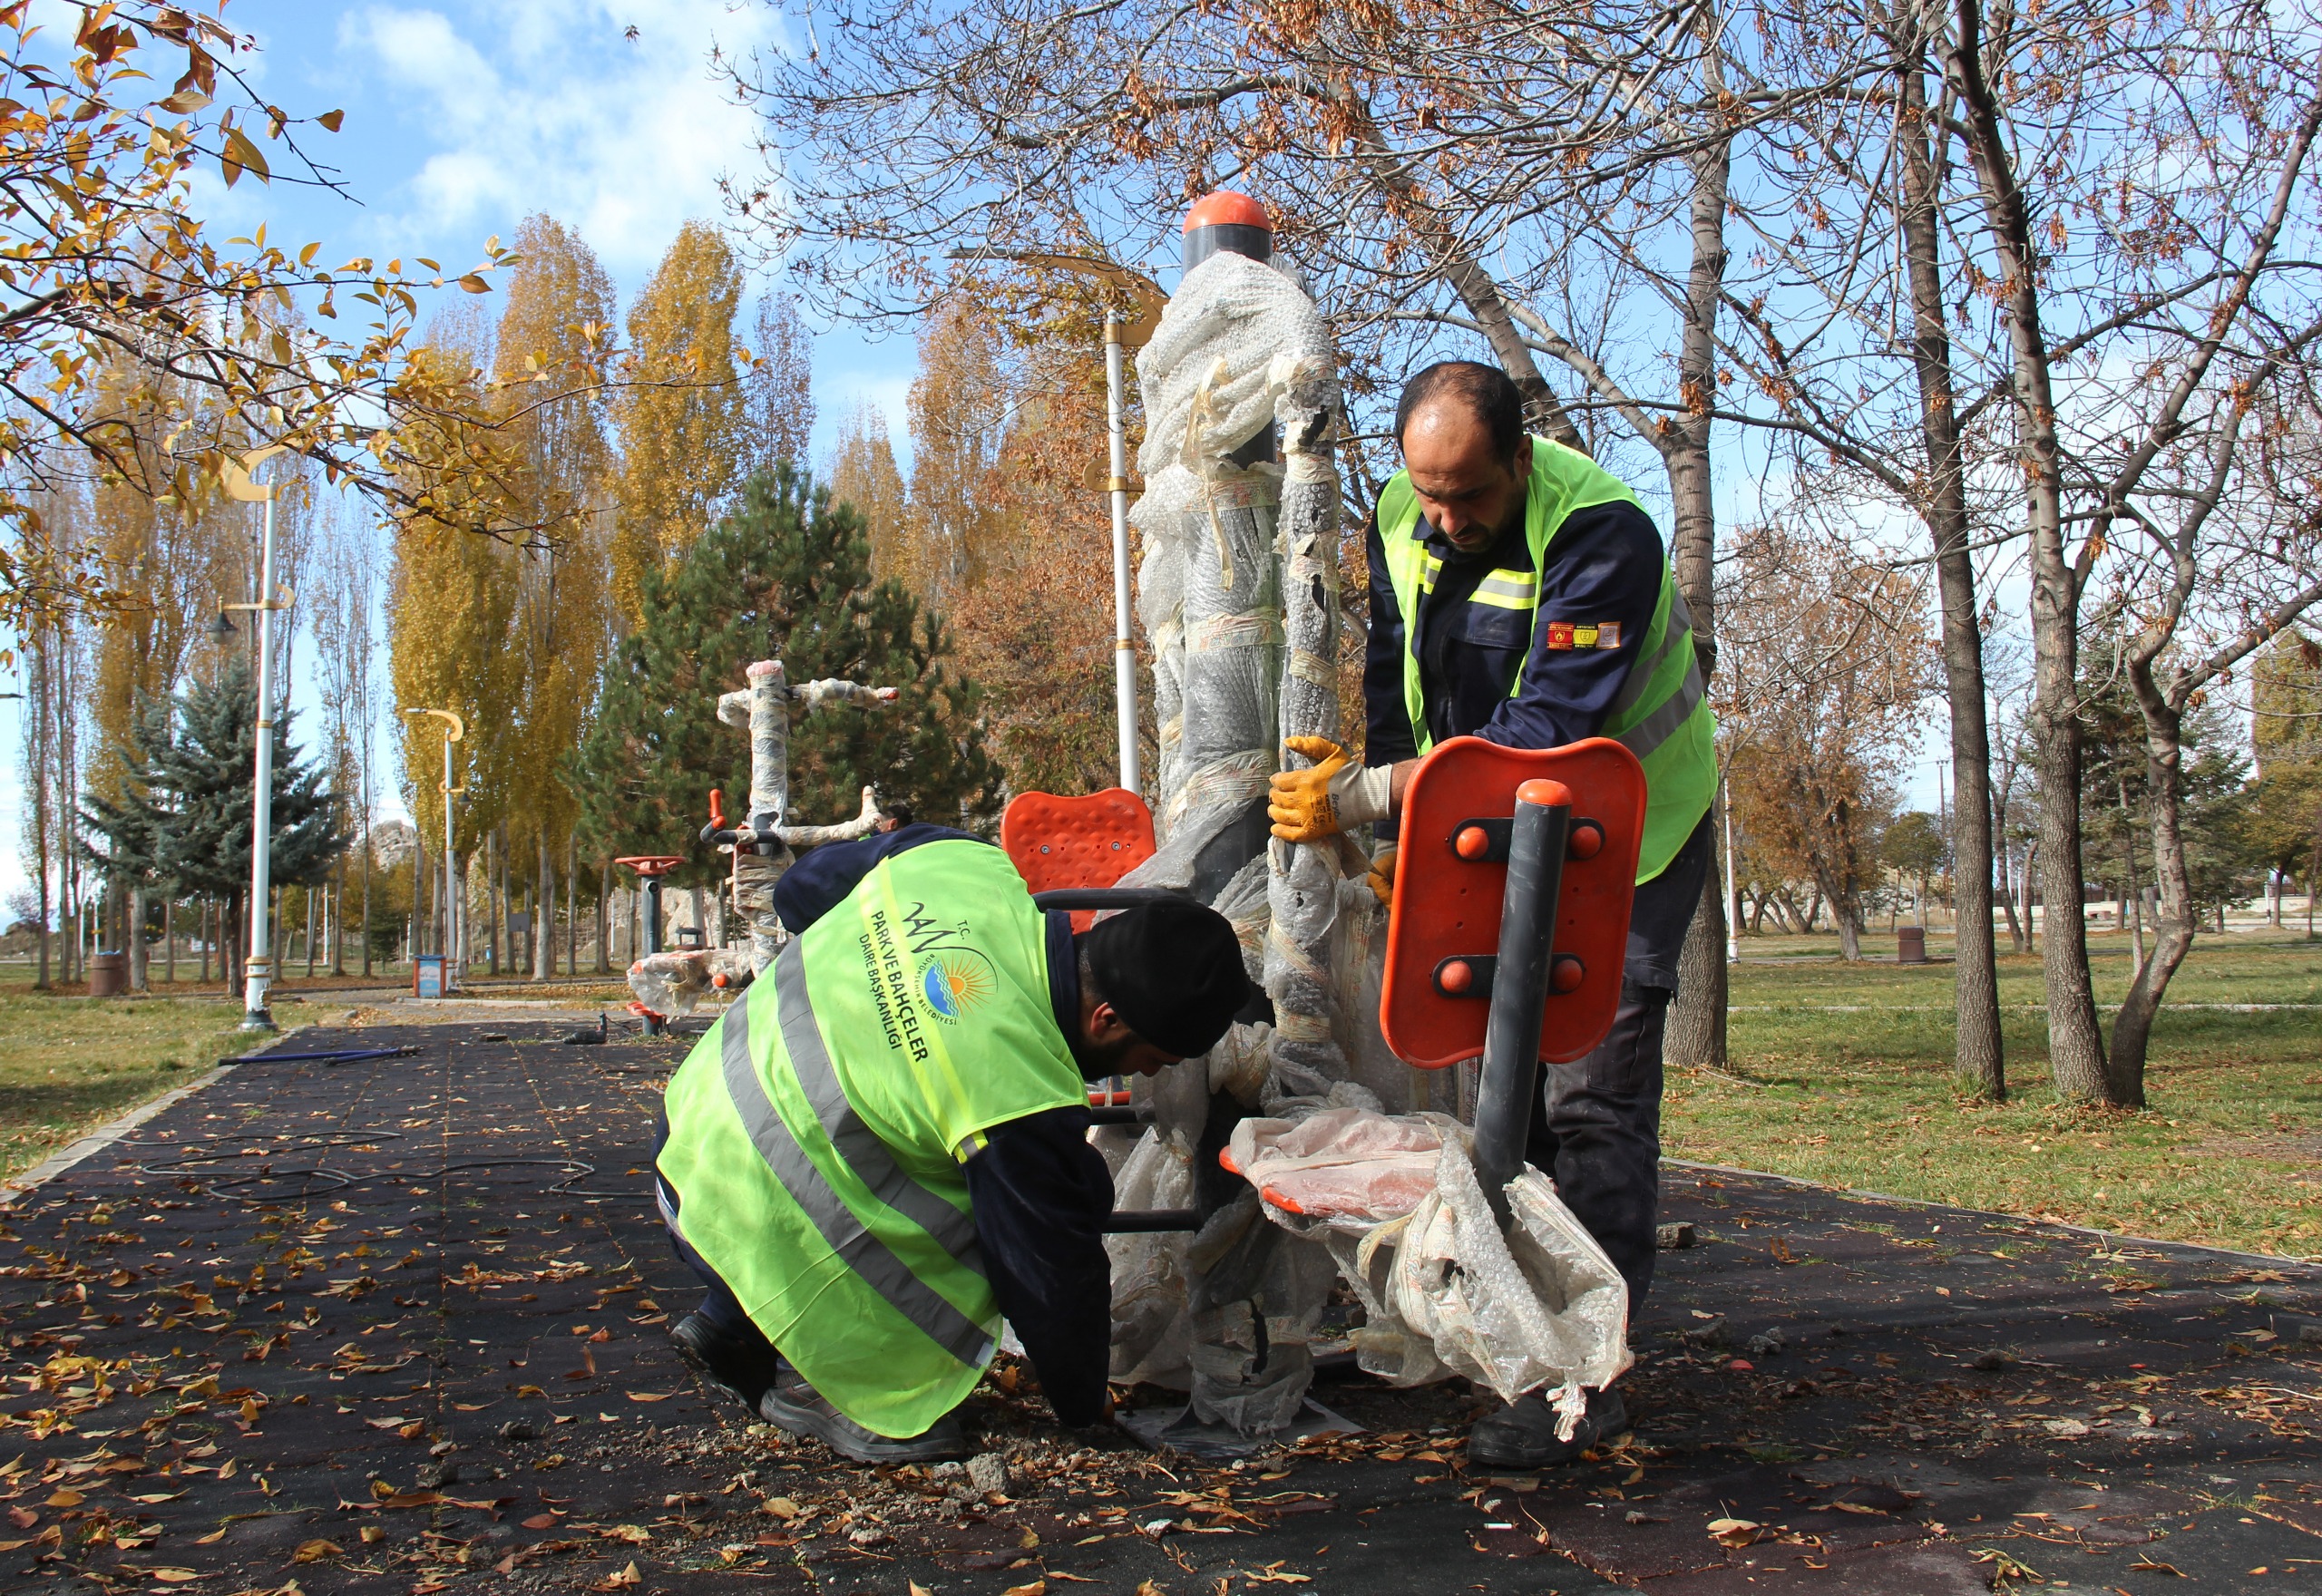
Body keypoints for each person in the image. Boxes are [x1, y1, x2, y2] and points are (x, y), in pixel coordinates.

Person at [1265, 361, 1716, 1468]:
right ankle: (1505, 1317)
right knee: (1494, 1086)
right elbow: (1393, 666)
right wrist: (1393, 838)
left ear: (1520, 460)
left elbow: (1541, 733)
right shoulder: (1401, 509)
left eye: (1467, 494)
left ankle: (1581, 1373)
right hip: (1478, 822)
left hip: (1626, 836)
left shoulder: (1604, 534)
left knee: (1593, 1090)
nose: (1444, 517)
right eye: (1427, 490)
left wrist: (1367, 800)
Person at [652, 821, 1251, 1463]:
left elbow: (800, 891)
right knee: (1005, 1206)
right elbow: (1048, 1272)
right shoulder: (1016, 1085)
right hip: (748, 1208)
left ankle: (729, 1322)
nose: (1147, 1077)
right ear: (1108, 1019)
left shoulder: (962, 864)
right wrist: (1084, 1406)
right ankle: (829, 1387)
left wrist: (880, 979)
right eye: (1152, 1060)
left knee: (880, 1136)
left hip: (689, 1140)